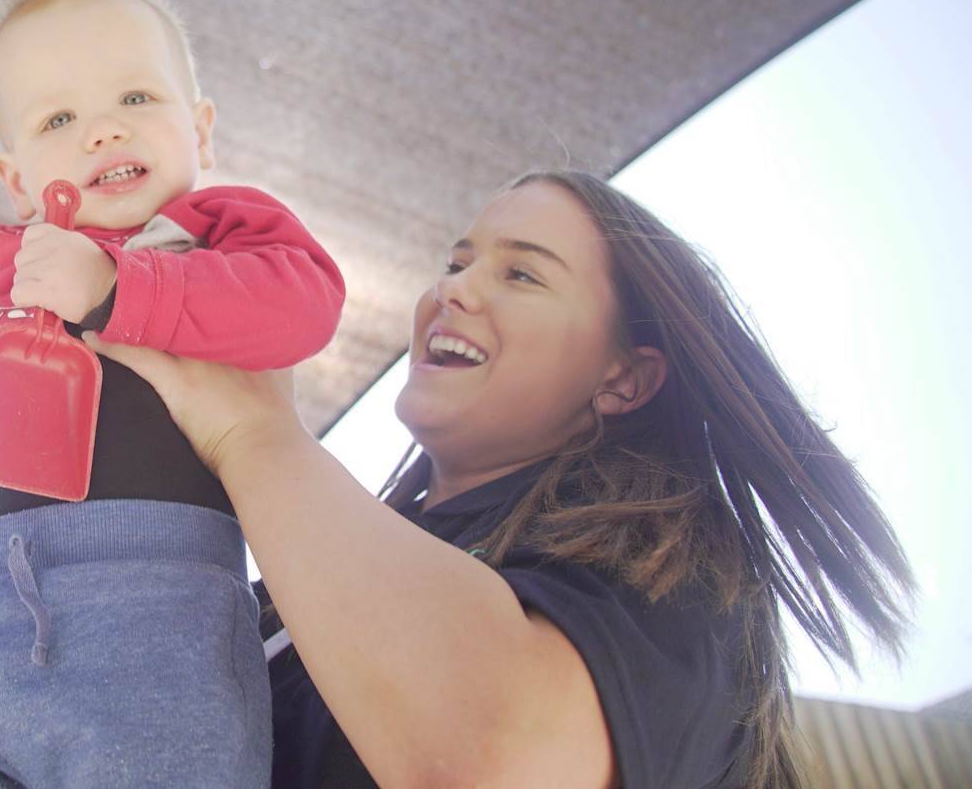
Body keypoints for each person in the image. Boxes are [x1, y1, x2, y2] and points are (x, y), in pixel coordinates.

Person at [87, 169, 914, 788]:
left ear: (625, 377)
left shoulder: (682, 569)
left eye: (521, 274)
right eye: (457, 260)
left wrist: (255, 431)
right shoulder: (300, 586)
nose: (453, 289)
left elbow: (498, 754)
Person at [0, 0, 345, 787]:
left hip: (156, 616)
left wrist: (122, 289)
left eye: (137, 99)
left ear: (202, 132)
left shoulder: (214, 236)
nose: (103, 133)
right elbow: (16, 424)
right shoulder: (30, 282)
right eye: (59, 118)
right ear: (16, 180)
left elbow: (306, 303)